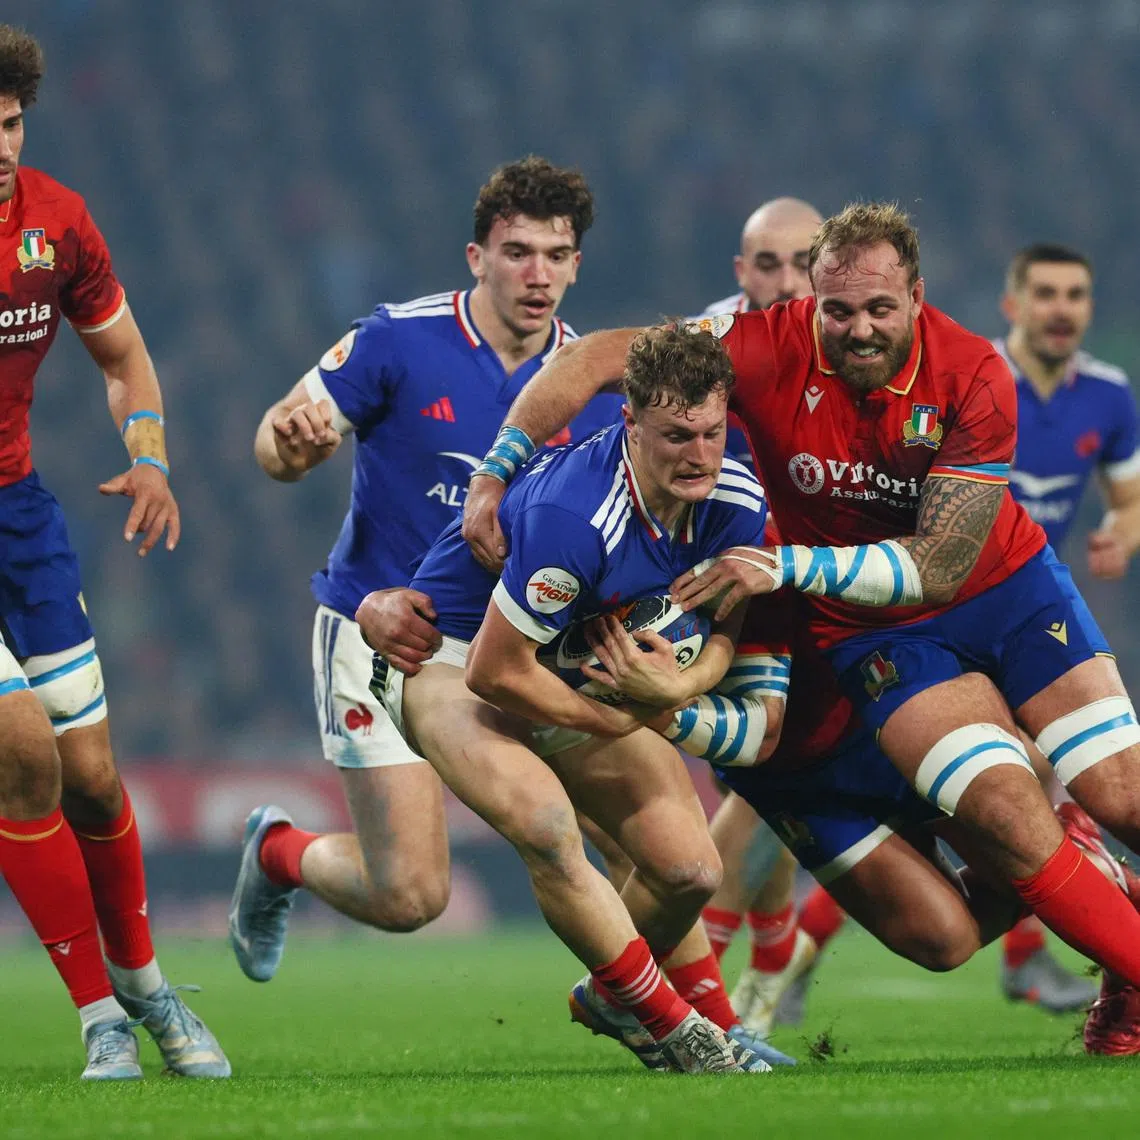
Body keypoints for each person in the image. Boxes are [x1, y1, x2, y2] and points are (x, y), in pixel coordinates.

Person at [461, 201, 1140, 1056]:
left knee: (1119, 796)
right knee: (978, 868)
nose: (859, 328)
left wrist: (763, 593)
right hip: (877, 639)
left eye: (880, 307)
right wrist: (495, 471)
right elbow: (595, 356)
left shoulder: (969, 374)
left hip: (1004, 590)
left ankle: (1111, 950)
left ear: (917, 296)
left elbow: (937, 567)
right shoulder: (744, 375)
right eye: (837, 309)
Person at [229, 157, 623, 983]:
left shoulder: (592, 380)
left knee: (641, 837)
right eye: (518, 252)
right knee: (410, 896)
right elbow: (275, 440)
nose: (538, 274)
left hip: (511, 644)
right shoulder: (396, 339)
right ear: (476, 258)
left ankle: (672, 1006)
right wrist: (293, 449)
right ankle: (279, 852)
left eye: (556, 255)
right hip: (379, 632)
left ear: (578, 265)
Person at [374, 323, 773, 1073]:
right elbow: (495, 672)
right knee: (548, 827)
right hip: (452, 656)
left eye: (712, 433)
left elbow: (730, 620)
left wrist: (683, 684)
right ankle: (680, 1032)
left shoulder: (735, 498)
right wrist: (615, 720)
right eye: (676, 436)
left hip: (565, 663)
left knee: (690, 872)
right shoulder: (577, 518)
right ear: (630, 422)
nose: (699, 455)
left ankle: (610, 997)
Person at [0, 25, 228, 1079]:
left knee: (91, 775)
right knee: (23, 754)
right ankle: (100, 1016)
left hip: (20, 518)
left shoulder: (58, 222)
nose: (2, 147)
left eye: (11, 124)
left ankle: (146, 987)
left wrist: (150, 458)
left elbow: (124, 357)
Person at [697, 196, 837, 1034]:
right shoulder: (704, 349)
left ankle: (701, 977)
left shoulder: (854, 340)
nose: (787, 282)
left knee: (768, 771)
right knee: (764, 779)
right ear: (740, 272)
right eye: (768, 264)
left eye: (804, 264)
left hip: (818, 585)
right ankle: (777, 948)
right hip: (724, 586)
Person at [998, 243, 1140, 577]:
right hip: (947, 593)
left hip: (1036, 590)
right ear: (1012, 307)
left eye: (1075, 296)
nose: (1062, 310)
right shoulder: (969, 380)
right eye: (1045, 294)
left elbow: (1132, 500)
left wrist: (1120, 539)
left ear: (1089, 309)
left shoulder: (1109, 393)